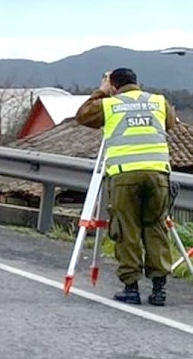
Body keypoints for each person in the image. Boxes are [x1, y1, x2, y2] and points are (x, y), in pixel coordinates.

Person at [75, 68, 178, 306]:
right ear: (136, 82)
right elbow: (170, 124)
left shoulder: (109, 104)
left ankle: (131, 287)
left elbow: (82, 116)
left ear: (113, 84)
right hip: (157, 175)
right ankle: (159, 289)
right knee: (156, 227)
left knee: (127, 229)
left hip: (124, 176)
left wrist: (100, 92)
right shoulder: (158, 102)